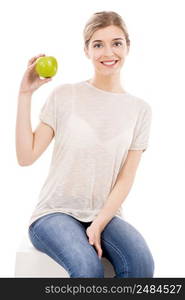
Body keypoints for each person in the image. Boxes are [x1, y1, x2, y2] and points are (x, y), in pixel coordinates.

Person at [16, 11, 155, 278]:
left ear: (128, 46)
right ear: (86, 50)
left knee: (142, 265)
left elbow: (126, 178)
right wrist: (25, 94)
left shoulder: (140, 110)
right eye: (98, 44)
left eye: (116, 43)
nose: (108, 52)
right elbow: (26, 156)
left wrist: (99, 223)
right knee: (87, 268)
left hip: (105, 213)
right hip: (54, 213)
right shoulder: (65, 95)